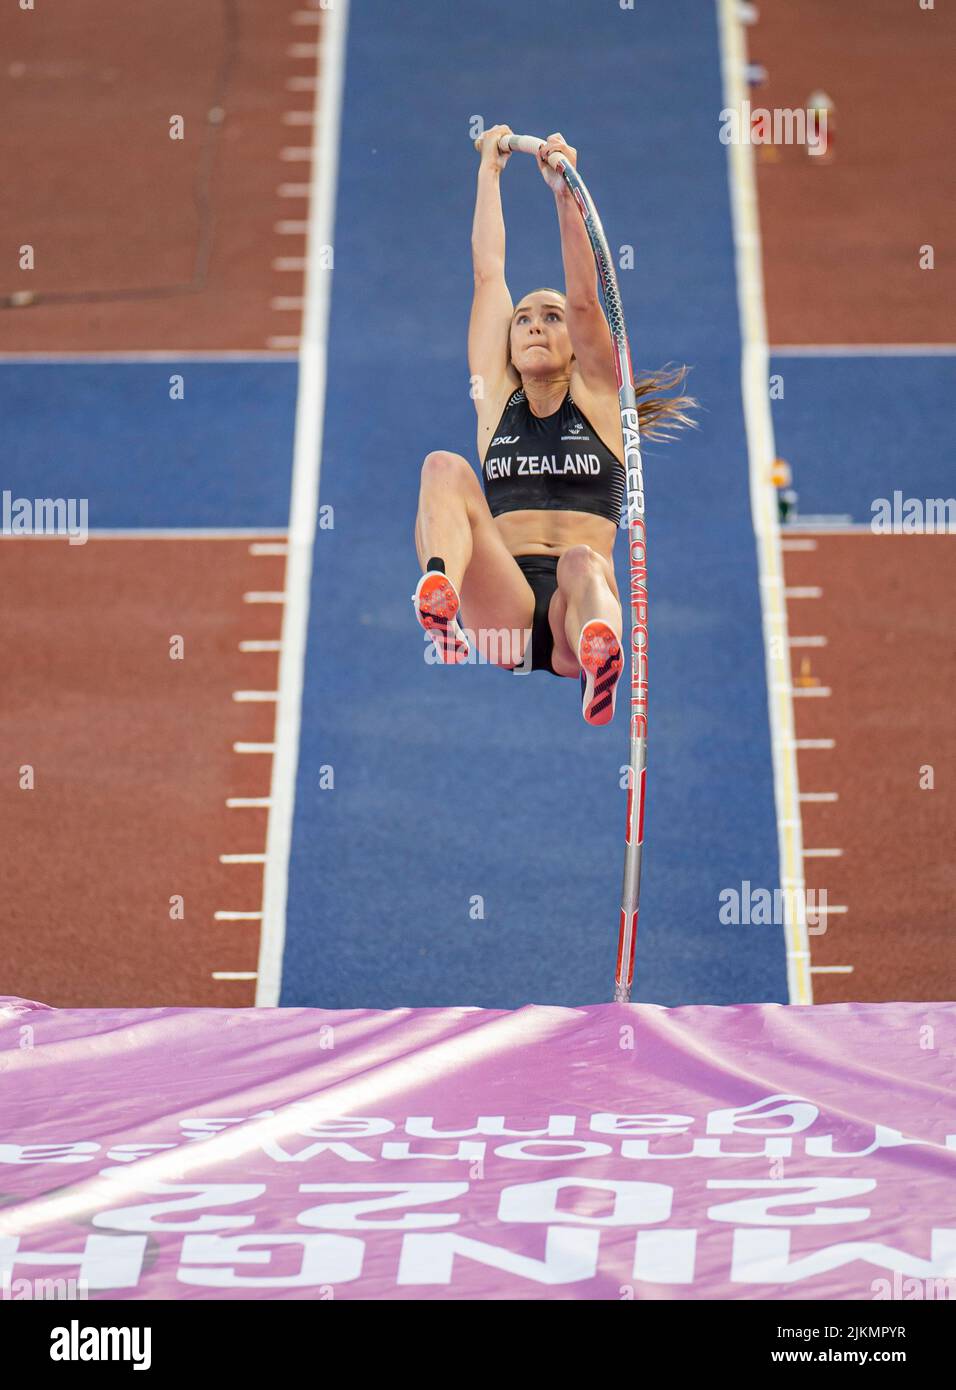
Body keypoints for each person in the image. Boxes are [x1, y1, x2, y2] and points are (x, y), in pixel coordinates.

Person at [412, 126, 695, 724]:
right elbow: (489, 275)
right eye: (523, 320)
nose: (534, 325)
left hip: (572, 615)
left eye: (550, 318)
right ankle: (439, 595)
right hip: (503, 613)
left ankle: (599, 659)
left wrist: (566, 193)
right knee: (443, 467)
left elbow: (588, 300)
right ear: (509, 344)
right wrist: (490, 173)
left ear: (575, 347)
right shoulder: (495, 402)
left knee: (582, 563)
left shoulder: (600, 401)